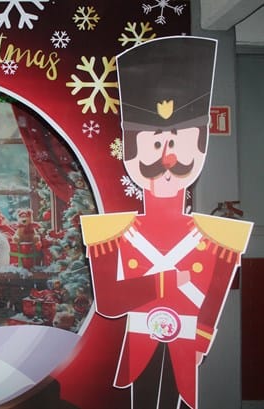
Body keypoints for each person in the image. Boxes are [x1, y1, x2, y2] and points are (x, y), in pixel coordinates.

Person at [80, 37, 252, 409]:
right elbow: (109, 301)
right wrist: (168, 281)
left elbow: (213, 300)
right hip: (139, 343)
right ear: (132, 151)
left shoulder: (219, 236)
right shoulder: (111, 231)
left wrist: (202, 340)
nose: (168, 157)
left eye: (177, 142)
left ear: (200, 147)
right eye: (155, 144)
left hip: (186, 345)